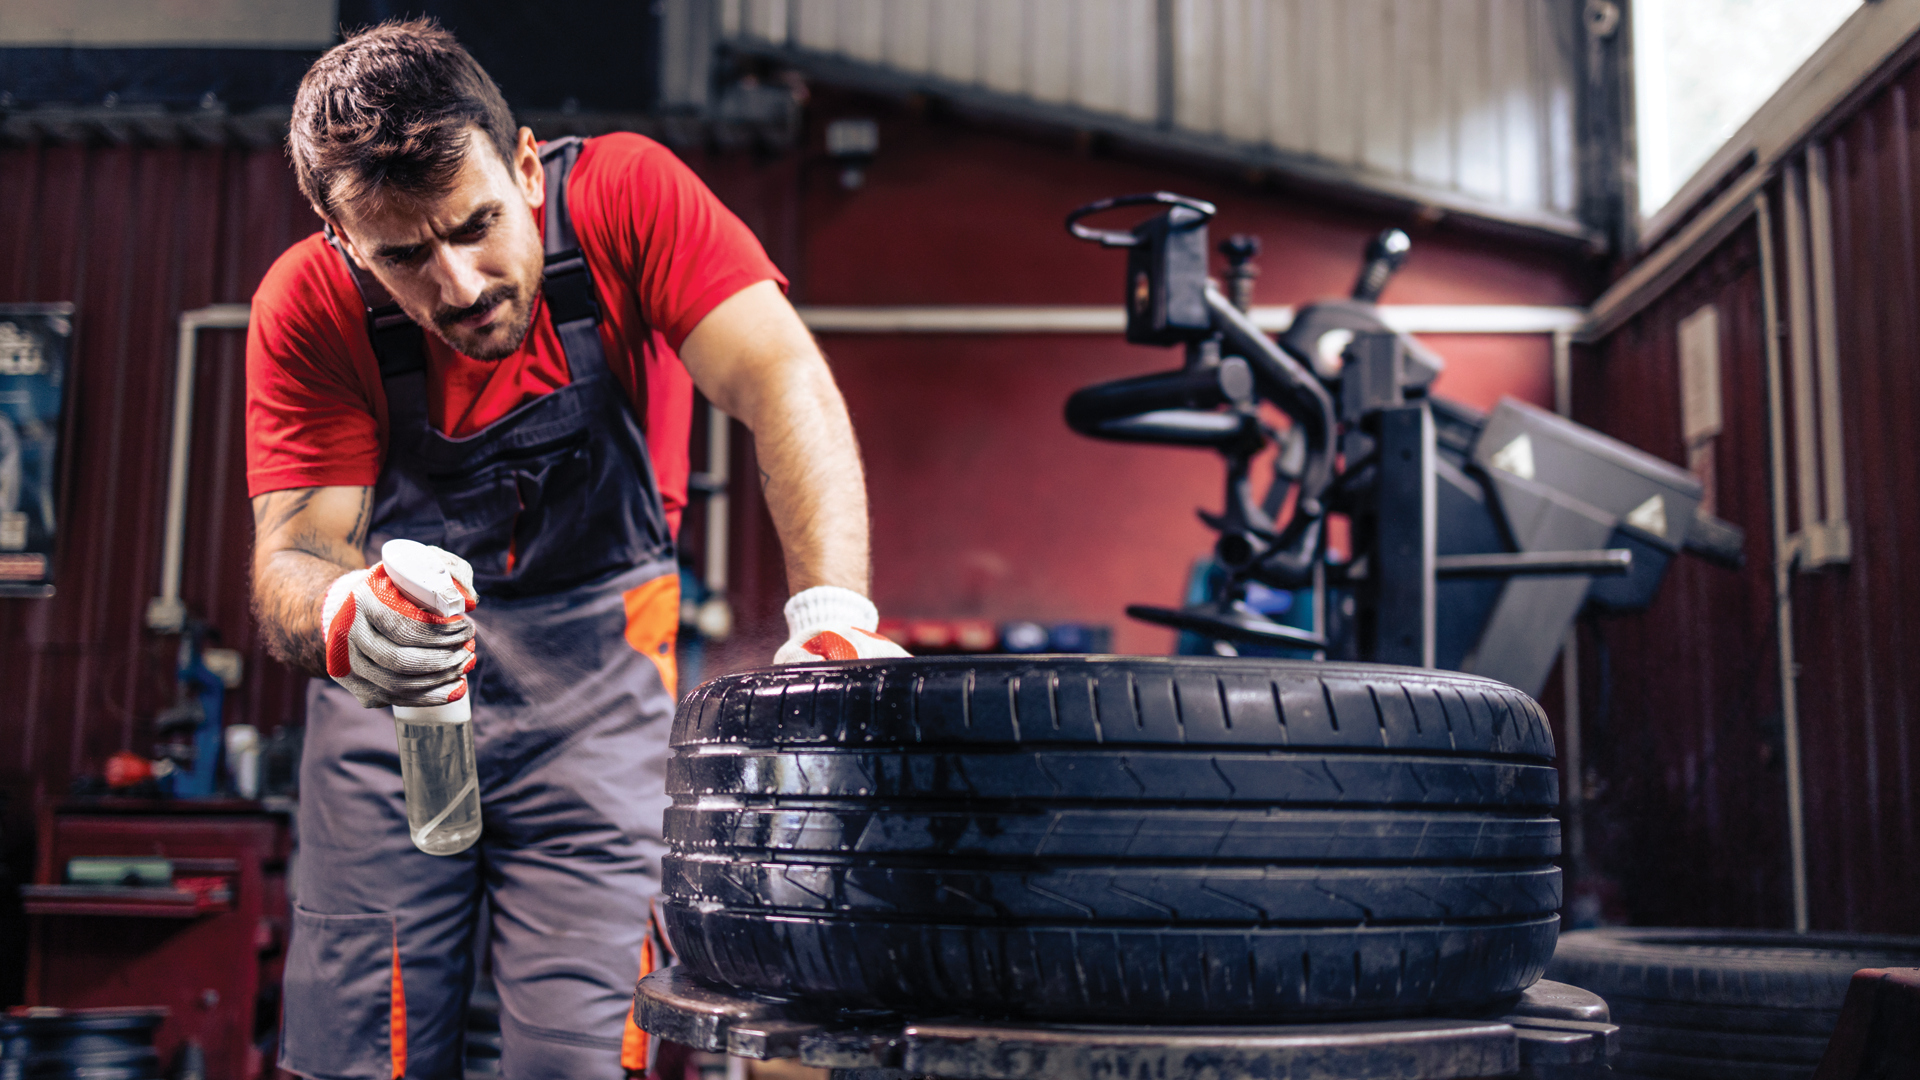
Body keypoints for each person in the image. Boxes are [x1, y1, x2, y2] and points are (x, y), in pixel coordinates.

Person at [245, 19, 907, 1080]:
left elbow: (781, 378)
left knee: (588, 1053)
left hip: (595, 697)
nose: (458, 285)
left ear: (524, 168)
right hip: (398, 707)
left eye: (476, 227)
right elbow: (296, 550)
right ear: (340, 238)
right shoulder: (310, 305)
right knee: (365, 1045)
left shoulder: (625, 198)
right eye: (406, 256)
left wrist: (832, 613)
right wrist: (339, 617)